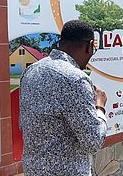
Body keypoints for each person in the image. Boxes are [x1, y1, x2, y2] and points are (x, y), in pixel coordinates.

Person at [19, 20, 108, 176]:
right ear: (89, 46)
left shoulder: (31, 71)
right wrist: (99, 107)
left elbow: (23, 124)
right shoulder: (75, 79)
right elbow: (93, 142)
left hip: (33, 170)